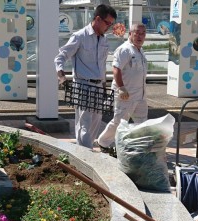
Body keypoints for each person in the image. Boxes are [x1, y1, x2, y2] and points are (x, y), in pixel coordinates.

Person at [54, 4, 117, 149]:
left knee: (95, 123)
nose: (109, 27)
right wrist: (61, 76)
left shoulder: (104, 40)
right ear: (98, 19)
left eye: (111, 24)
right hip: (83, 85)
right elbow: (60, 57)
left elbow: (101, 65)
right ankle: (84, 156)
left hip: (98, 87)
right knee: (84, 124)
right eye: (108, 23)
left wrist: (104, 86)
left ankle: (86, 152)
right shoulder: (80, 36)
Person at [96, 23, 148, 152]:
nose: (140, 36)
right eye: (137, 33)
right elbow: (116, 69)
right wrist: (121, 88)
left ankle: (137, 146)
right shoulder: (125, 49)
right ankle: (103, 142)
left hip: (140, 95)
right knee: (120, 121)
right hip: (126, 94)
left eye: (143, 33)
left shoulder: (140, 51)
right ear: (130, 34)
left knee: (141, 122)